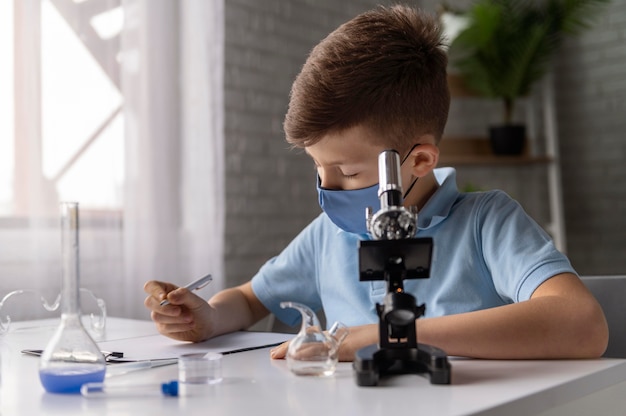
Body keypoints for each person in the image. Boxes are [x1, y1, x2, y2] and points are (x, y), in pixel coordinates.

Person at [144, 5, 608, 361]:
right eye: (319, 169)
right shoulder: (329, 237)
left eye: (348, 173)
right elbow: (248, 300)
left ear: (420, 159)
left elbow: (582, 324)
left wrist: (383, 338)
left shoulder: (487, 222)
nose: (328, 190)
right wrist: (205, 318)